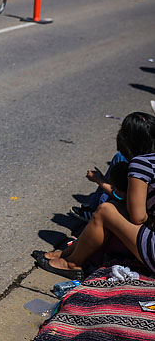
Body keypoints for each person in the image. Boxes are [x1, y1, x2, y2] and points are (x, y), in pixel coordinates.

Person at [33, 112, 155, 278]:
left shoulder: (142, 163)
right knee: (113, 209)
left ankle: (71, 263)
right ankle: (67, 253)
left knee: (106, 210)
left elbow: (138, 217)